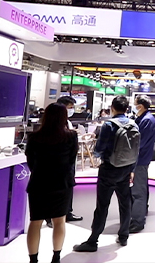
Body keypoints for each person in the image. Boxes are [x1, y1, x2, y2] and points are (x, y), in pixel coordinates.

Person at [73, 96, 139, 252]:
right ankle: (123, 236)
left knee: (102, 205)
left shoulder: (108, 125)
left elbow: (99, 148)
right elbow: (136, 149)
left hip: (109, 169)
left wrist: (97, 156)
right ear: (126, 109)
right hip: (126, 168)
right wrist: (132, 169)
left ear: (112, 108)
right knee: (125, 203)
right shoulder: (133, 124)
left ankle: (93, 241)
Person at [24, 103, 78, 263]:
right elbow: (71, 160)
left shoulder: (34, 137)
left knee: (35, 221)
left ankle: (33, 260)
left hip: (39, 183)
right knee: (59, 221)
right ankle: (56, 257)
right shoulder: (71, 136)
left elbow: (31, 161)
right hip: (62, 183)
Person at [43, 96, 83, 228]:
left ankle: (67, 212)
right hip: (54, 165)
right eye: (70, 107)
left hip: (67, 166)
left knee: (68, 190)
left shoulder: (68, 123)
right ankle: (50, 216)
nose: (71, 110)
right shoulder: (48, 127)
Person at [129, 95, 155, 233]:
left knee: (138, 191)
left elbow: (139, 143)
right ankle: (140, 213)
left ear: (140, 106)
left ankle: (137, 221)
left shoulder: (146, 120)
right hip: (141, 158)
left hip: (140, 159)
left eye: (135, 104)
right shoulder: (146, 119)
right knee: (141, 187)